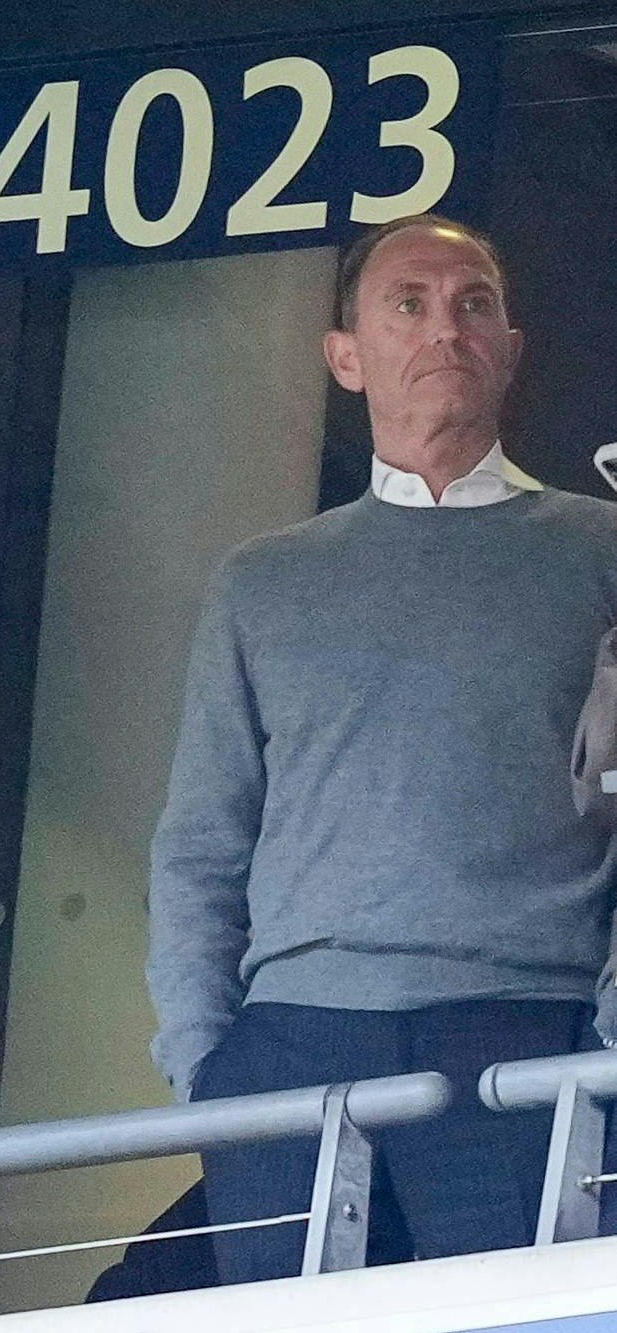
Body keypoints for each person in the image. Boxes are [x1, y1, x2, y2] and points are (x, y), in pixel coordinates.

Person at [147, 214, 617, 1284]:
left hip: (530, 1032)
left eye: (474, 303)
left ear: (510, 349)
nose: (445, 327)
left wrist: (609, 1042)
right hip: (291, 1044)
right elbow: (201, 842)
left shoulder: (601, 553)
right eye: (409, 303)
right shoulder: (264, 580)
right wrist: (206, 1065)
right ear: (345, 356)